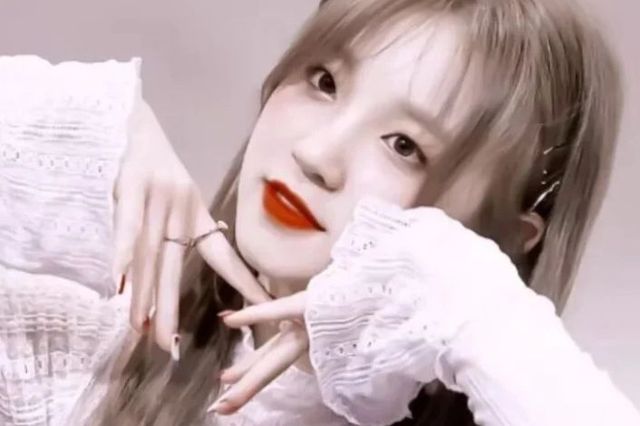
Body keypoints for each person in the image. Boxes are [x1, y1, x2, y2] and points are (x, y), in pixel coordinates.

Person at [1, 0, 639, 425]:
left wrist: (477, 311)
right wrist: (78, 128)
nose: (315, 154)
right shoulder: (83, 359)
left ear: (493, 242)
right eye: (324, 81)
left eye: (404, 146)